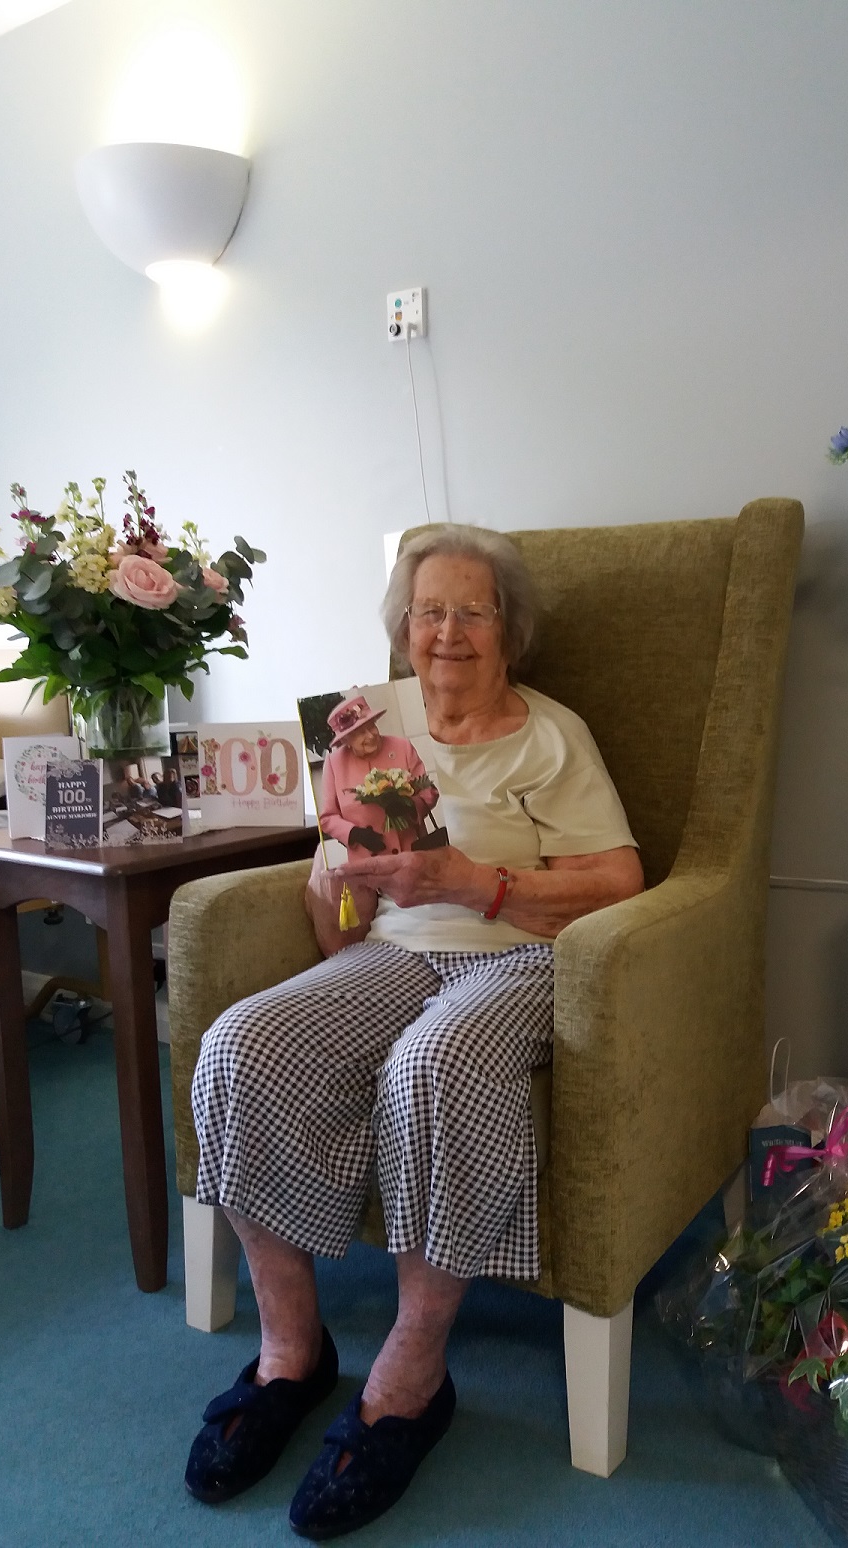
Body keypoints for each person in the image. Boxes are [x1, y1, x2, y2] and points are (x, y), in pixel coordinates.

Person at [186, 525, 644, 1538]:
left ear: (508, 630)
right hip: (392, 951)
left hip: (514, 953)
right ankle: (291, 1352)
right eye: (429, 611)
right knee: (238, 1046)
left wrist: (473, 882)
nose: (447, 632)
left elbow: (620, 881)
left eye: (472, 611)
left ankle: (413, 1372)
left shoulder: (549, 736)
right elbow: (338, 930)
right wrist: (334, 874)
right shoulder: (366, 729)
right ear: (402, 628)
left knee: (435, 1060)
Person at [318, 694, 440, 855]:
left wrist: (410, 807)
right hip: (367, 859)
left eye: (371, 726)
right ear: (345, 740)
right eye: (360, 732)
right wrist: (354, 833)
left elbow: (429, 791)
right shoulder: (334, 763)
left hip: (411, 851)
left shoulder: (401, 747)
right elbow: (327, 818)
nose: (370, 735)